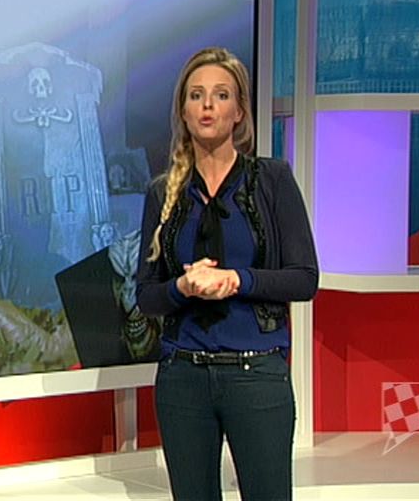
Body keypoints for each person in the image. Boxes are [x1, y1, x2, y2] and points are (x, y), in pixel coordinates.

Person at [136, 47, 318, 501]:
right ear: (183, 110)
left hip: (257, 376)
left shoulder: (272, 180)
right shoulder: (162, 193)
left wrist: (238, 280)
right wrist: (182, 286)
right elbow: (146, 296)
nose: (207, 105)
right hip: (182, 378)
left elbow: (304, 278)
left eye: (221, 95)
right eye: (196, 95)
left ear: (239, 111)